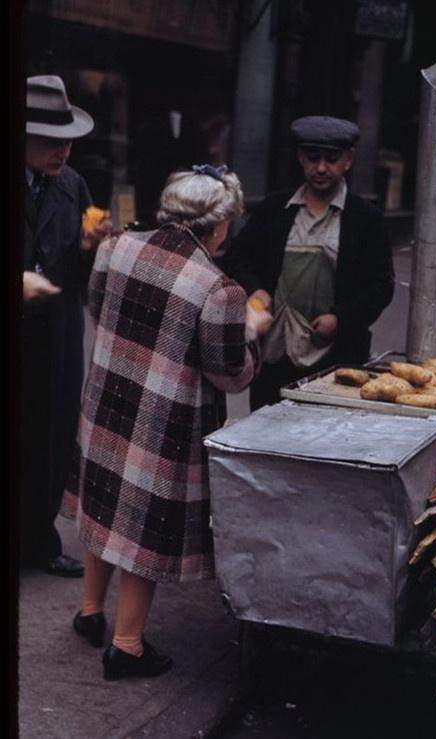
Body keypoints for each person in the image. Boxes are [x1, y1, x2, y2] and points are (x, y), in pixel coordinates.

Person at [61, 165, 270, 680]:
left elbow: (97, 310)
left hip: (109, 399)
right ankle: (127, 646)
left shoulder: (115, 249)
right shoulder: (219, 289)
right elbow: (229, 376)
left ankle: (90, 613)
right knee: (140, 526)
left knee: (105, 503)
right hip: (163, 423)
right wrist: (252, 332)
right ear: (218, 227)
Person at [224, 115, 395, 410]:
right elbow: (237, 257)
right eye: (312, 158)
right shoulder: (275, 209)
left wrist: (340, 319)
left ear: (348, 161)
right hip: (274, 356)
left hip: (336, 361)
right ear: (300, 158)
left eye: (331, 159)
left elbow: (381, 286)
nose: (321, 168)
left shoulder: (365, 219)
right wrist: (256, 290)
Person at [22, 75, 111, 576]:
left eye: (68, 141)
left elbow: (82, 271)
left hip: (55, 327)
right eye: (51, 142)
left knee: (52, 432)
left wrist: (88, 248)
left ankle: (38, 539)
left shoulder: (73, 184)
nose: (63, 152)